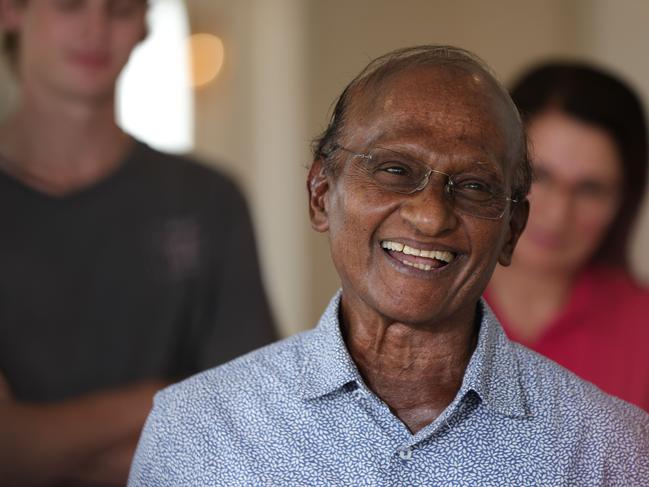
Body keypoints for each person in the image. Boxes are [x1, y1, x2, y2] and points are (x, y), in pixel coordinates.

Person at [128, 46, 649, 486]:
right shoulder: (196, 429)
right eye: (395, 171)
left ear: (511, 228)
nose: (429, 216)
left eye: (473, 186)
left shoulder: (609, 450)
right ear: (320, 194)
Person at [0, 0, 275, 485]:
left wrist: (42, 449)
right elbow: (10, 452)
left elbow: (250, 427)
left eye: (122, 9)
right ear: (10, 11)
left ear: (145, 22)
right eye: (70, 6)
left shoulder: (209, 200)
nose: (96, 29)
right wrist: (169, 398)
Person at [485, 62, 649, 411]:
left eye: (591, 189)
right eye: (540, 176)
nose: (557, 215)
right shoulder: (426, 304)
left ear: (624, 200)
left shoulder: (642, 327)